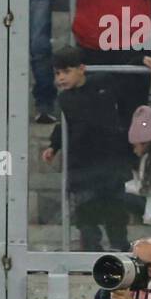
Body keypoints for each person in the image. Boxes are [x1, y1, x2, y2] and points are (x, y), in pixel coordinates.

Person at [42, 48, 132, 251]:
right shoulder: (65, 99)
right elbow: (64, 125)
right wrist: (54, 145)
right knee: (86, 211)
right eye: (57, 74)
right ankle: (91, 250)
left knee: (115, 208)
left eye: (65, 72)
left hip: (109, 159)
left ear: (81, 69)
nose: (61, 78)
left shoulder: (103, 83)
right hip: (82, 163)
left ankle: (120, 246)